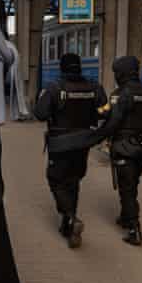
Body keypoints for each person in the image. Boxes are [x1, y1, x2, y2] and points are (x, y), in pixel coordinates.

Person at [34, 53, 107, 248]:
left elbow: (40, 114)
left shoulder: (54, 88)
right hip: (83, 142)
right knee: (73, 180)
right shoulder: (94, 87)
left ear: (62, 68)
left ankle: (70, 217)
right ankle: (68, 226)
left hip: (60, 143)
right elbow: (105, 111)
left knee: (56, 179)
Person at [91, 55, 142, 246]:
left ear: (121, 73)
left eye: (116, 73)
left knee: (126, 190)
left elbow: (109, 120)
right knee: (132, 184)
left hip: (123, 149)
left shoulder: (119, 95)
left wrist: (94, 138)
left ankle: (134, 229)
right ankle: (124, 216)